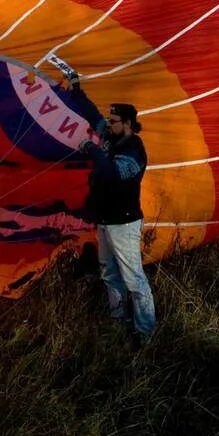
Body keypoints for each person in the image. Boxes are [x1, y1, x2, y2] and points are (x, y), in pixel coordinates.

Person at [67, 77, 156, 344]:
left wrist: (92, 149)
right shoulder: (111, 134)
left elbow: (110, 173)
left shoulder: (134, 151)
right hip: (106, 220)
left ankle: (145, 333)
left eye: (114, 121)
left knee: (134, 280)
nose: (108, 124)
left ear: (128, 124)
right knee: (109, 272)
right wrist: (76, 90)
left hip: (124, 224)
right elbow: (93, 115)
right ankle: (117, 320)